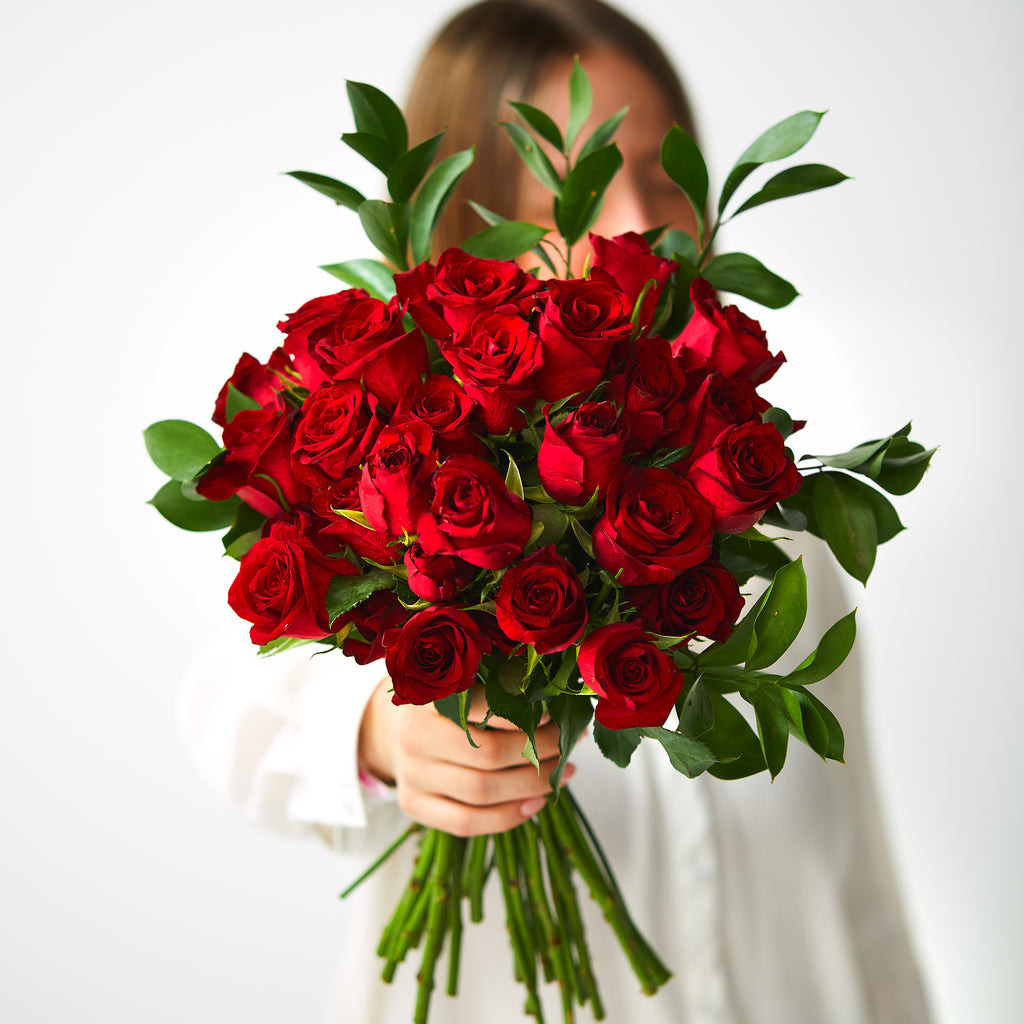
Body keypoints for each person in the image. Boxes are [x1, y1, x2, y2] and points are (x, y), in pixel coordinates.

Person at [179, 2, 933, 1021]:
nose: (632, 220)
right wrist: (379, 733)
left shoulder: (784, 536)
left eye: (664, 175)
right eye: (566, 191)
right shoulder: (392, 516)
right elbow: (228, 703)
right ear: (463, 225)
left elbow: (857, 878)